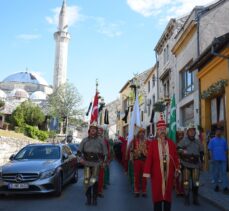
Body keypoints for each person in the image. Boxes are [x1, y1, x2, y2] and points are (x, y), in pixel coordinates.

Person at [143, 116, 180, 211]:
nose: (162, 131)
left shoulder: (171, 144)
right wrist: (147, 172)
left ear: (166, 131)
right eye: (160, 129)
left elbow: (175, 158)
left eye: (164, 129)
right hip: (156, 175)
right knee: (157, 196)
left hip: (169, 174)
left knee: (167, 196)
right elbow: (149, 159)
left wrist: (177, 168)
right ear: (157, 132)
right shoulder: (153, 144)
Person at [78, 121, 108, 206]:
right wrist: (80, 159)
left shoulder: (101, 141)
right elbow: (79, 152)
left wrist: (104, 162)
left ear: (97, 130)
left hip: (96, 163)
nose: (93, 130)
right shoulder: (84, 140)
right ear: (89, 130)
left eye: (95, 129)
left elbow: (105, 153)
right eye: (92, 129)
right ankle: (88, 199)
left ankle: (94, 199)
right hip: (87, 163)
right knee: (87, 181)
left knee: (94, 181)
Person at [177, 123, 204, 206]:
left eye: (193, 131)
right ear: (187, 132)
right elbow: (178, 149)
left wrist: (202, 163)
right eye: (190, 131)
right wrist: (183, 152)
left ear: (195, 132)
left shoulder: (198, 142)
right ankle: (187, 198)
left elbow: (202, 153)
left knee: (196, 182)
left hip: (196, 164)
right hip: (186, 164)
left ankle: (195, 198)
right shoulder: (183, 141)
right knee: (186, 182)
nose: (192, 132)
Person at [208, 127, 229, 194]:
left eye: (220, 131)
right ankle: (216, 186)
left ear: (221, 132)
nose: (219, 132)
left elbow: (226, 150)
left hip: (223, 160)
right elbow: (210, 150)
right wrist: (211, 159)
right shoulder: (212, 140)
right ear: (216, 132)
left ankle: (225, 187)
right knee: (216, 174)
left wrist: (226, 158)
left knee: (224, 174)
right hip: (215, 159)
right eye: (218, 131)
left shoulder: (224, 140)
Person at [129, 127, 149, 197]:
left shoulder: (147, 141)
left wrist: (145, 152)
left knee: (145, 177)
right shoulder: (134, 141)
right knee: (136, 176)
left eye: (143, 133)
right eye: (140, 133)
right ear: (138, 134)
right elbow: (131, 150)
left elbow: (150, 151)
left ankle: (144, 191)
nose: (142, 134)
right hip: (137, 160)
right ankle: (136, 190)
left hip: (145, 161)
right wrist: (132, 158)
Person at [175, 128, 185, 196]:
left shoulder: (185, 142)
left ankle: (182, 189)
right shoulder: (175, 143)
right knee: (177, 176)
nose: (180, 136)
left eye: (182, 135)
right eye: (179, 135)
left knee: (184, 177)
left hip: (184, 161)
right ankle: (178, 190)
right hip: (177, 161)